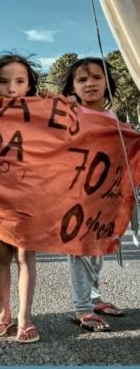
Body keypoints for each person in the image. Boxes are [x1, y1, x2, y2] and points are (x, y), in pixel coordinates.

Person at [59, 57, 124, 332]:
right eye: (82, 79)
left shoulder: (112, 117)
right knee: (79, 250)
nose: (90, 84)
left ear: (107, 82)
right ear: (72, 87)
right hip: (75, 194)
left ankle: (94, 298)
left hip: (106, 197)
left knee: (97, 249)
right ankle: (82, 308)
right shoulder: (69, 115)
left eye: (97, 77)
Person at [0, 53, 41, 343]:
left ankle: (25, 316)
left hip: (29, 196)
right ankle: (4, 312)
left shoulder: (42, 116)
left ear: (30, 85)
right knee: (1, 255)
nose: (12, 88)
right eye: (4, 81)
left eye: (20, 81)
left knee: (26, 255)